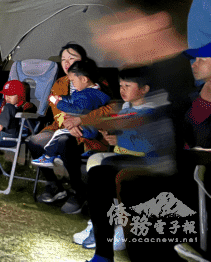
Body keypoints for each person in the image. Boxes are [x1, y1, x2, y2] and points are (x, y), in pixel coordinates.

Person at [74, 68, 166, 257]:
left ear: (144, 89)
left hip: (142, 161)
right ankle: (98, 226)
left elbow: (146, 144)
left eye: (127, 86)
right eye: (121, 85)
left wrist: (119, 138)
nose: (122, 89)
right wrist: (112, 138)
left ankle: (119, 226)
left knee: (103, 172)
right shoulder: (125, 107)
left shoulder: (151, 112)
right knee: (94, 164)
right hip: (122, 156)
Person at [26, 43, 112, 215]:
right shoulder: (60, 83)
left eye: (71, 58)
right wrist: (69, 123)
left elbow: (108, 109)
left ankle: (78, 191)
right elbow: (57, 110)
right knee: (34, 141)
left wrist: (81, 120)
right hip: (62, 127)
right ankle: (54, 186)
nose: (66, 63)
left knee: (65, 141)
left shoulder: (98, 83)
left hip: (89, 132)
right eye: (63, 59)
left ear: (83, 62)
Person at [31, 59, 111, 167]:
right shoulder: (96, 91)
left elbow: (75, 109)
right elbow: (73, 99)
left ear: (84, 79)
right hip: (91, 127)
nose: (72, 84)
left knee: (58, 135)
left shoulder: (86, 95)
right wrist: (62, 97)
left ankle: (48, 157)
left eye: (73, 81)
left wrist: (57, 102)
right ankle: (86, 153)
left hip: (86, 129)